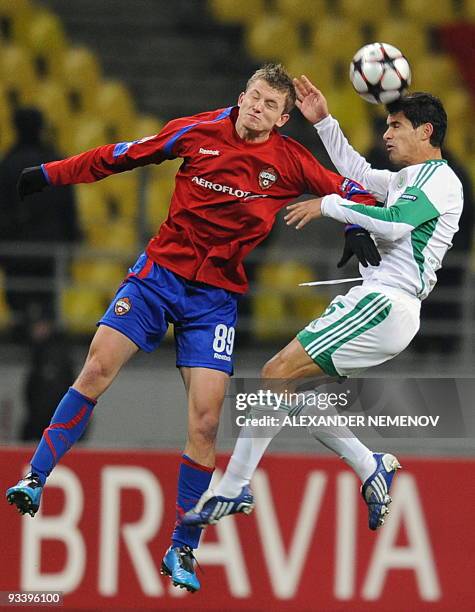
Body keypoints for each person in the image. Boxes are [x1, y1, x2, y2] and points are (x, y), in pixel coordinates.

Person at [5, 64, 377, 593]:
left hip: (215, 300)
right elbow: (118, 156)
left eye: (272, 106)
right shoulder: (197, 131)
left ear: (284, 117)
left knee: (205, 423)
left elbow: (355, 190)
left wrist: (355, 219)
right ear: (241, 96)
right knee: (95, 368)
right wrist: (50, 173)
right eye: (254, 98)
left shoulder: (291, 162)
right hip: (158, 277)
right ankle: (34, 477)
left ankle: (183, 547)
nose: (258, 109)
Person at [182, 77, 463, 534]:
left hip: (386, 303)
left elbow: (393, 224)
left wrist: (329, 205)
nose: (386, 135)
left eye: (395, 126)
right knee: (294, 393)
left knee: (275, 374)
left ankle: (234, 484)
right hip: (378, 304)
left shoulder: (441, 180)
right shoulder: (407, 178)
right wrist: (325, 122)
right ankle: (368, 464)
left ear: (426, 132)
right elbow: (356, 173)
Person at [0, 107, 80, 337]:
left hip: (17, 248)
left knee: (19, 301)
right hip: (51, 246)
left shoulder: (8, 163)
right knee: (47, 304)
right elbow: (68, 209)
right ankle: (43, 347)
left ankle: (25, 339)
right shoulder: (54, 160)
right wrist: (70, 240)